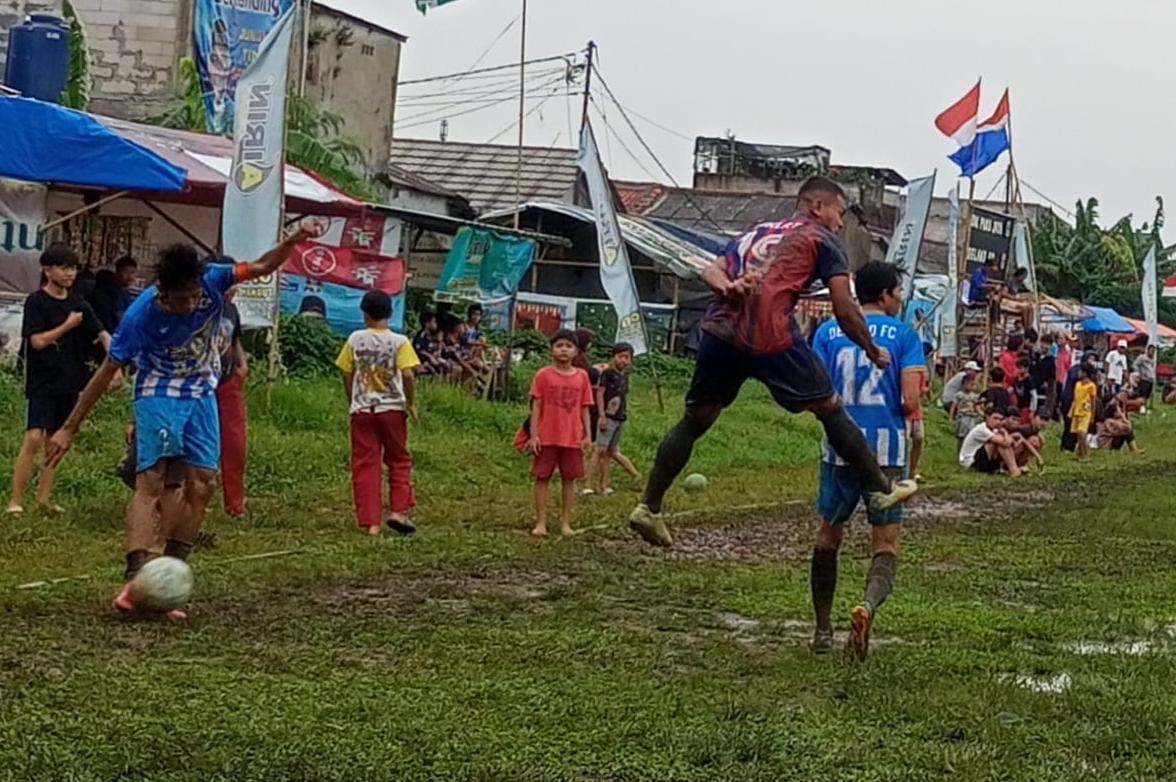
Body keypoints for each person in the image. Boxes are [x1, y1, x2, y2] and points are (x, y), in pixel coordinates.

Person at [44, 225, 321, 618]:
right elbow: (107, 370)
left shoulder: (213, 280)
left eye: (195, 297)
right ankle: (135, 578)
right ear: (162, 293)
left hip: (201, 393)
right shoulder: (141, 316)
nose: (191, 305)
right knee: (152, 480)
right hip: (158, 390)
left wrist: (291, 243)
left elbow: (261, 266)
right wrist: (69, 427)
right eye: (181, 300)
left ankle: (169, 575)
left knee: (204, 483)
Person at [628, 177, 918, 547]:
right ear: (817, 207)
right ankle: (881, 488)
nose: (841, 223)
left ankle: (649, 507)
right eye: (839, 212)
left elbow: (710, 270)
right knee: (829, 407)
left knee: (696, 419)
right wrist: (872, 349)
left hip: (719, 333)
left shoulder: (755, 233)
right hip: (770, 334)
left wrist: (727, 288)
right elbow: (845, 308)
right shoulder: (822, 239)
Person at [809, 261, 925, 661]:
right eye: (899, 291)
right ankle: (866, 608)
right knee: (886, 543)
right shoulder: (905, 336)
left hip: (839, 446)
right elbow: (910, 400)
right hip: (886, 453)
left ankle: (823, 628)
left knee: (829, 534)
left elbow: (815, 388)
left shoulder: (827, 332)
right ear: (886, 294)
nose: (901, 298)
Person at [7, 244, 112, 515]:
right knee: (33, 437)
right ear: (47, 269)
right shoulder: (36, 302)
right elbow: (38, 341)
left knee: (56, 441)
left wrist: (116, 365)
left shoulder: (78, 302)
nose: (70, 274)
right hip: (42, 381)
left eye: (73, 268)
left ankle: (44, 499)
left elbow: (101, 332)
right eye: (64, 268)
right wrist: (67, 326)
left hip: (70, 380)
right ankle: (15, 500)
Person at [337, 290, 421, 537]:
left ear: (364, 313)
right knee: (399, 460)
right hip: (392, 409)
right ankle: (398, 512)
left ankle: (371, 523)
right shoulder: (400, 342)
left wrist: (352, 396)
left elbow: (345, 370)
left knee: (365, 464)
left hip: (362, 410)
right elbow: (407, 374)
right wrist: (411, 402)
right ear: (390, 313)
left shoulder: (355, 339)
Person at [526, 329, 594, 538]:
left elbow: (585, 407)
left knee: (569, 479)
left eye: (568, 346)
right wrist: (534, 435)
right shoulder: (543, 375)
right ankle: (541, 522)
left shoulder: (582, 376)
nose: (564, 350)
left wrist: (587, 435)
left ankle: (565, 522)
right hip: (547, 436)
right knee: (542, 477)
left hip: (572, 437)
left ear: (576, 352)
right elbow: (536, 406)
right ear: (551, 350)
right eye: (559, 345)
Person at [589, 342, 639, 496]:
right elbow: (599, 394)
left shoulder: (625, 376)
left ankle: (604, 485)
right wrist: (602, 415)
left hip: (620, 417)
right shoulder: (607, 373)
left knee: (610, 452)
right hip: (608, 417)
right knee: (599, 450)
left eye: (627, 357)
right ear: (614, 357)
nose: (623, 360)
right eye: (620, 356)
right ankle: (588, 484)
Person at [215, 289, 248, 518]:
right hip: (200, 387)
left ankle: (235, 505)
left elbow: (235, 340)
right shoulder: (200, 308)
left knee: (235, 446)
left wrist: (242, 364)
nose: (233, 290)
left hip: (228, 384)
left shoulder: (231, 310)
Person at [960, 410, 1028, 476]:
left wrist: (1009, 437)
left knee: (1003, 442)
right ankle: (1014, 470)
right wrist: (1005, 433)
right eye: (995, 418)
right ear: (987, 417)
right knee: (999, 443)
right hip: (971, 462)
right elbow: (1006, 443)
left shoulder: (994, 430)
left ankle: (1011, 469)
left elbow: (1011, 443)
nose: (997, 422)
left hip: (984, 459)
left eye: (1000, 419)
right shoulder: (982, 429)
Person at [1070, 364, 1098, 461]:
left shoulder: (1091, 386)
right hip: (1077, 411)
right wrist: (1071, 410)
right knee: (1078, 434)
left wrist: (1093, 415)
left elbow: (1093, 401)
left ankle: (1086, 454)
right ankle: (1080, 453)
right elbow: (1075, 398)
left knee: (1082, 433)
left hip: (1086, 412)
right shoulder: (1077, 384)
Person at [950, 374, 982, 449]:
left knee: (971, 435)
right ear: (963, 384)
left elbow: (977, 406)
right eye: (970, 384)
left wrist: (980, 413)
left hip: (971, 417)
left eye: (973, 384)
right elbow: (953, 406)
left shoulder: (974, 396)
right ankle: (960, 451)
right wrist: (951, 417)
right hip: (962, 417)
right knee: (961, 436)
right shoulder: (959, 395)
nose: (972, 386)